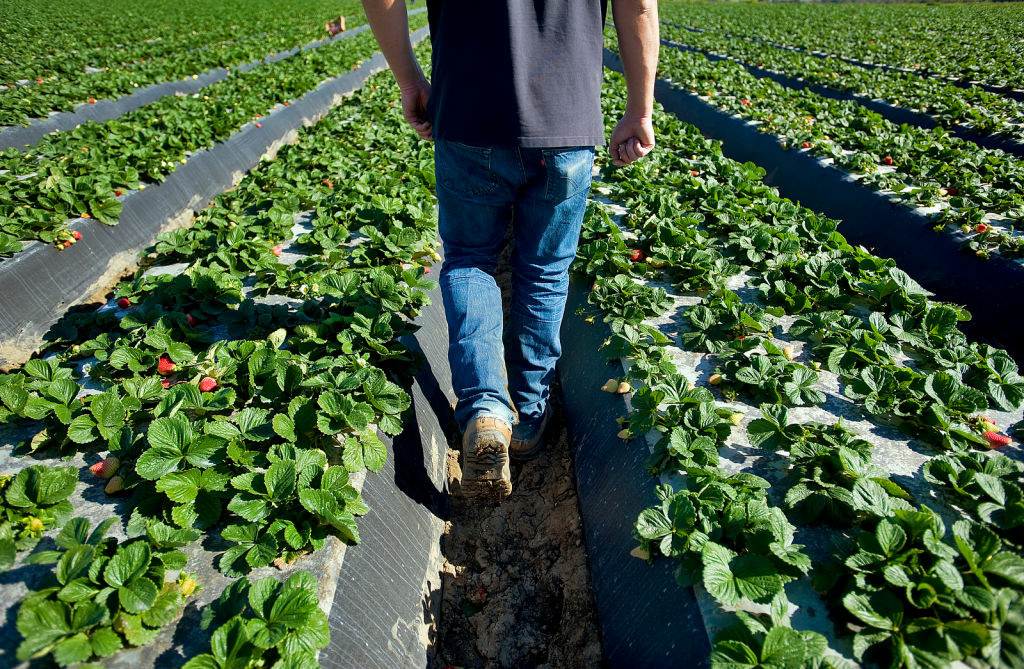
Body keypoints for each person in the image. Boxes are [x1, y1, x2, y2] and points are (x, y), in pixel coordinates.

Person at [361, 0, 658, 502]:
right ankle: (527, 415)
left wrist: (411, 82)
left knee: (471, 260)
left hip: (468, 116)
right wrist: (639, 108)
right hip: (566, 120)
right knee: (543, 270)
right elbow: (640, 6)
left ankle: (485, 410)